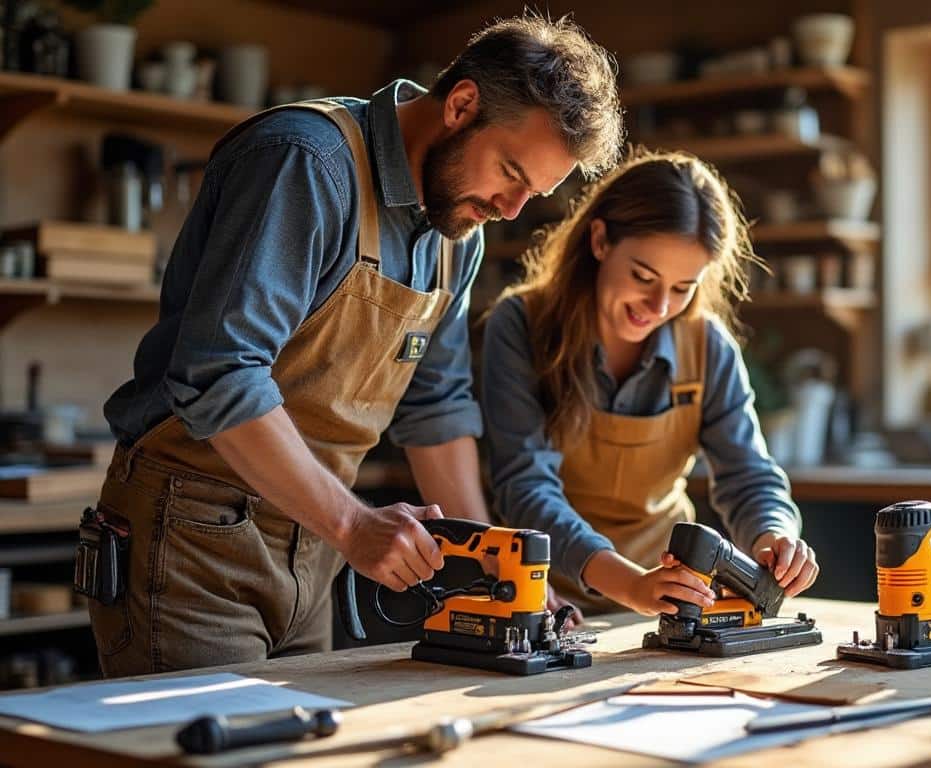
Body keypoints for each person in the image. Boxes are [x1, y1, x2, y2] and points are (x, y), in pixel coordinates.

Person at [84, 15, 624, 677]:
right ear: (460, 105)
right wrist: (352, 524)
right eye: (511, 173)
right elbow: (222, 373)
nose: (511, 209)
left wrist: (500, 579)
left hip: (314, 548)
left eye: (532, 194)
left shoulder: (459, 234)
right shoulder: (308, 163)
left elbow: (437, 412)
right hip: (192, 534)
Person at [480, 151, 819, 620]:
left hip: (673, 598)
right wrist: (630, 585)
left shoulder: (708, 347)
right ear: (599, 240)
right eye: (643, 276)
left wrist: (773, 535)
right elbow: (526, 489)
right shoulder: (520, 325)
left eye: (683, 287)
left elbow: (748, 476)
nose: (659, 305)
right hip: (545, 598)